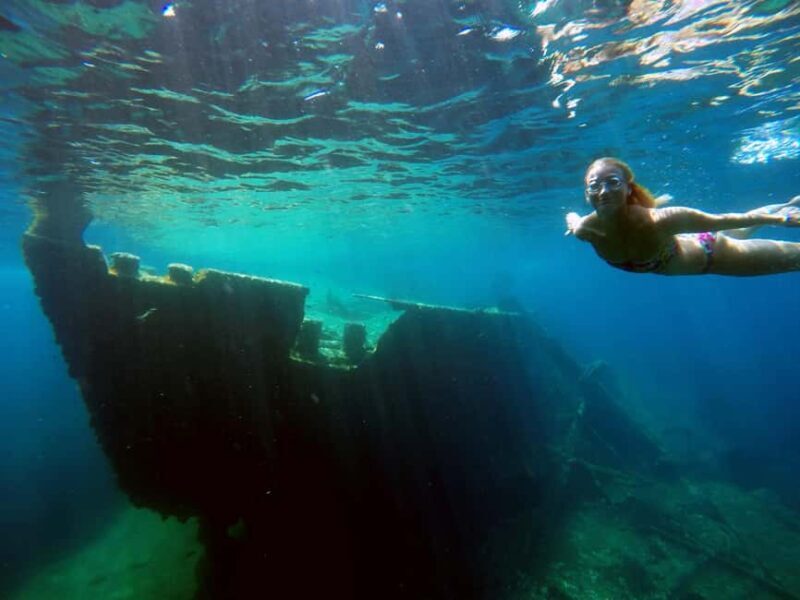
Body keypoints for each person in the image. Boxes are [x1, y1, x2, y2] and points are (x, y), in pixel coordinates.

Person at [565, 157, 800, 276]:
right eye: (594, 186)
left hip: (713, 255)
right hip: (695, 246)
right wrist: (570, 218)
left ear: (628, 189)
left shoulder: (661, 219)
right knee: (743, 228)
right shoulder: (586, 229)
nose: (604, 191)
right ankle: (790, 205)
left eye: (613, 182)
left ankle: (785, 211)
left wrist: (778, 221)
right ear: (587, 194)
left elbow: (723, 219)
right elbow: (573, 219)